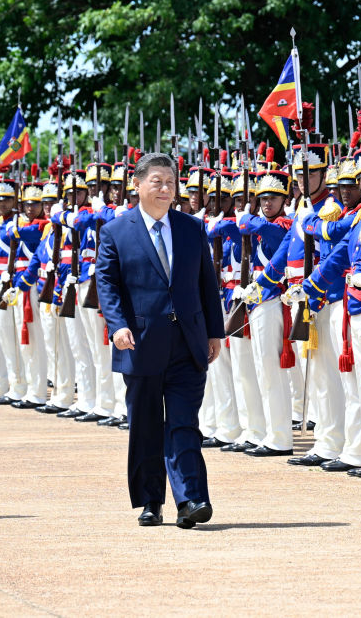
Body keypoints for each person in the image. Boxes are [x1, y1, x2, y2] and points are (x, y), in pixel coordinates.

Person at [95, 151, 225, 529]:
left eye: (171, 182)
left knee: (184, 422)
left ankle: (191, 499)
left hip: (187, 342)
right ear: (136, 185)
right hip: (140, 342)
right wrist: (117, 326)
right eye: (157, 182)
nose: (166, 189)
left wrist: (214, 331)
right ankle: (151, 501)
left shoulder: (191, 228)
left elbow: (206, 283)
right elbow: (107, 284)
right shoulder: (115, 232)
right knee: (146, 425)